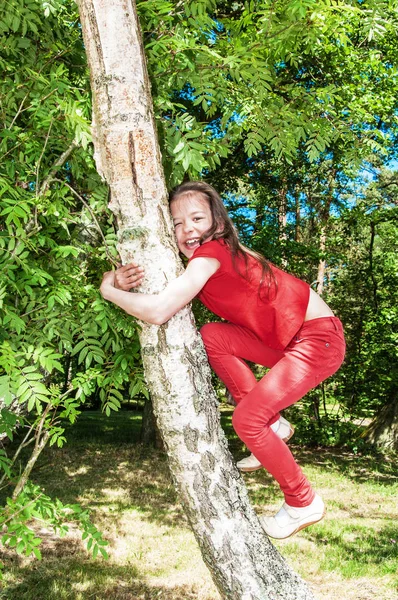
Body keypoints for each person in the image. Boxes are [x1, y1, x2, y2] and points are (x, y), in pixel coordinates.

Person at [100, 181, 345, 539]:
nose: (188, 230)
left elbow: (157, 311)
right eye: (177, 224)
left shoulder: (212, 252)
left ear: (217, 220)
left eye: (197, 217)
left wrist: (108, 289)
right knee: (213, 335)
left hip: (318, 339)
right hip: (289, 341)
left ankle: (302, 501)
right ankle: (273, 425)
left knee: (248, 421)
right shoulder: (211, 260)